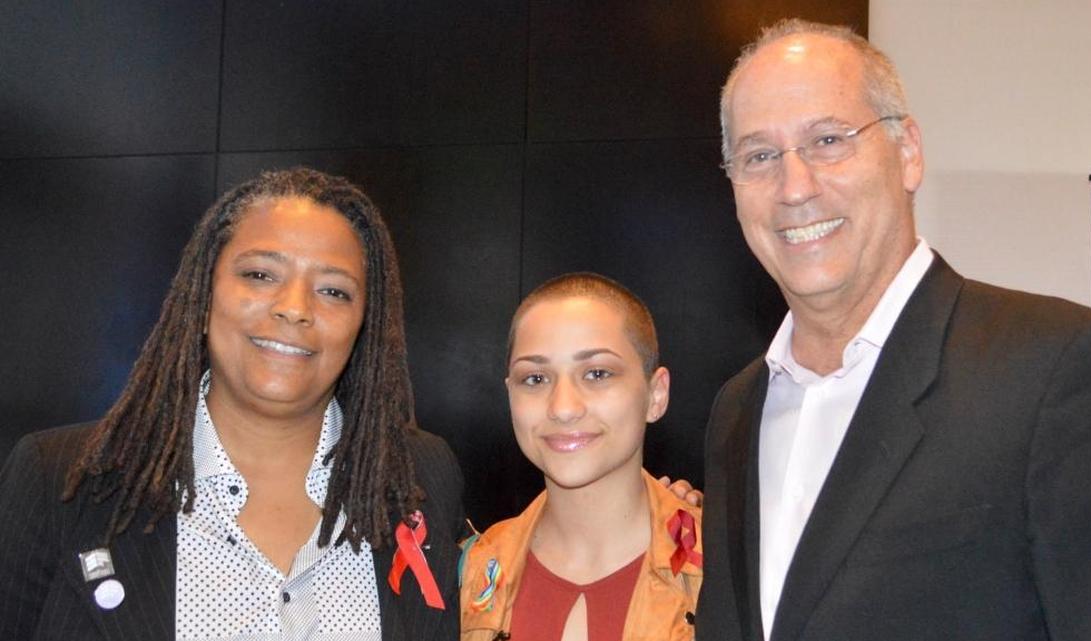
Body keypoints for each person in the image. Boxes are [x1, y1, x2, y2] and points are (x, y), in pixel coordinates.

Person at [697, 18, 1091, 641]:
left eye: (828, 140)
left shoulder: (1062, 370)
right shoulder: (737, 409)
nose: (794, 187)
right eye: (760, 155)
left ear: (908, 153)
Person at [0, 168, 464, 640]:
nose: (295, 307)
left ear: (365, 324)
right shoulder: (59, 480)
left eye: (333, 291)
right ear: (202, 297)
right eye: (260, 275)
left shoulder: (421, 474)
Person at [459, 273, 703, 641]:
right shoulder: (470, 572)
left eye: (597, 373)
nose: (563, 407)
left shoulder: (729, 567)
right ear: (510, 395)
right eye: (536, 379)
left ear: (656, 394)